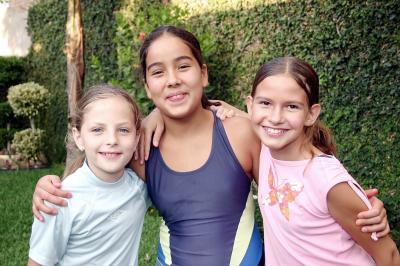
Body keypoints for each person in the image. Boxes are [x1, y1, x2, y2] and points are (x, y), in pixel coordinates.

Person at [31, 26, 389, 266]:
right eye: (158, 72)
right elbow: (98, 168)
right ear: (147, 84)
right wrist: (48, 186)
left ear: (203, 73)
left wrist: (358, 206)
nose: (172, 80)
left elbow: (298, 182)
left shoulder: (243, 132)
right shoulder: (138, 146)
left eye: (183, 67)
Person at [246, 56, 399, 265]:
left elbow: (388, 253)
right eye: (265, 103)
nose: (275, 117)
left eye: (291, 107)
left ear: (311, 114)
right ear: (250, 105)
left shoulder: (326, 179)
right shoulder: (265, 149)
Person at [28, 85, 151, 266]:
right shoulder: (59, 199)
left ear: (137, 137)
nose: (112, 140)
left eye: (123, 130)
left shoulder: (140, 187)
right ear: (79, 138)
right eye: (97, 130)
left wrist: (157, 116)